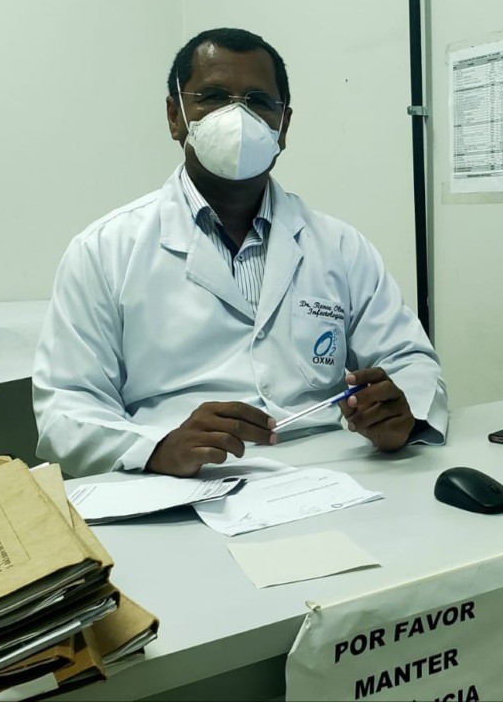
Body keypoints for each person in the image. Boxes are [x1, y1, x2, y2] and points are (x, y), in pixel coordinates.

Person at [32, 27, 448, 479]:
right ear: (175, 117)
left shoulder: (341, 247)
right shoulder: (103, 251)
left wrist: (401, 414)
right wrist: (158, 447)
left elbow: (410, 362)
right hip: (177, 483)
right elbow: (65, 408)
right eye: (212, 97)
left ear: (283, 125)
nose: (237, 117)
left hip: (330, 475)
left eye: (258, 101)